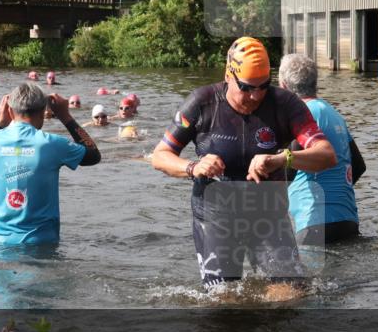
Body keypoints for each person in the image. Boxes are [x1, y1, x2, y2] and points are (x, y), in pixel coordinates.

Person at [150, 37, 337, 297]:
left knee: (292, 294)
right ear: (229, 75)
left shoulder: (285, 104)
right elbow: (160, 156)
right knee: (224, 299)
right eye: (246, 87)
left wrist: (283, 158)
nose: (255, 96)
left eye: (263, 86)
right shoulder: (202, 103)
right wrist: (193, 166)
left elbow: (326, 155)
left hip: (268, 215)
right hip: (216, 217)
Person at [0, 83, 101, 245]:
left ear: (9, 111)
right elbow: (93, 155)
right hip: (42, 245)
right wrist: (65, 117)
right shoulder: (53, 144)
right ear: (43, 112)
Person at [278, 54, 365, 245]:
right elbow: (359, 166)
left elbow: (287, 172)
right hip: (348, 220)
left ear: (283, 87)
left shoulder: (301, 115)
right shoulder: (334, 114)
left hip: (313, 222)